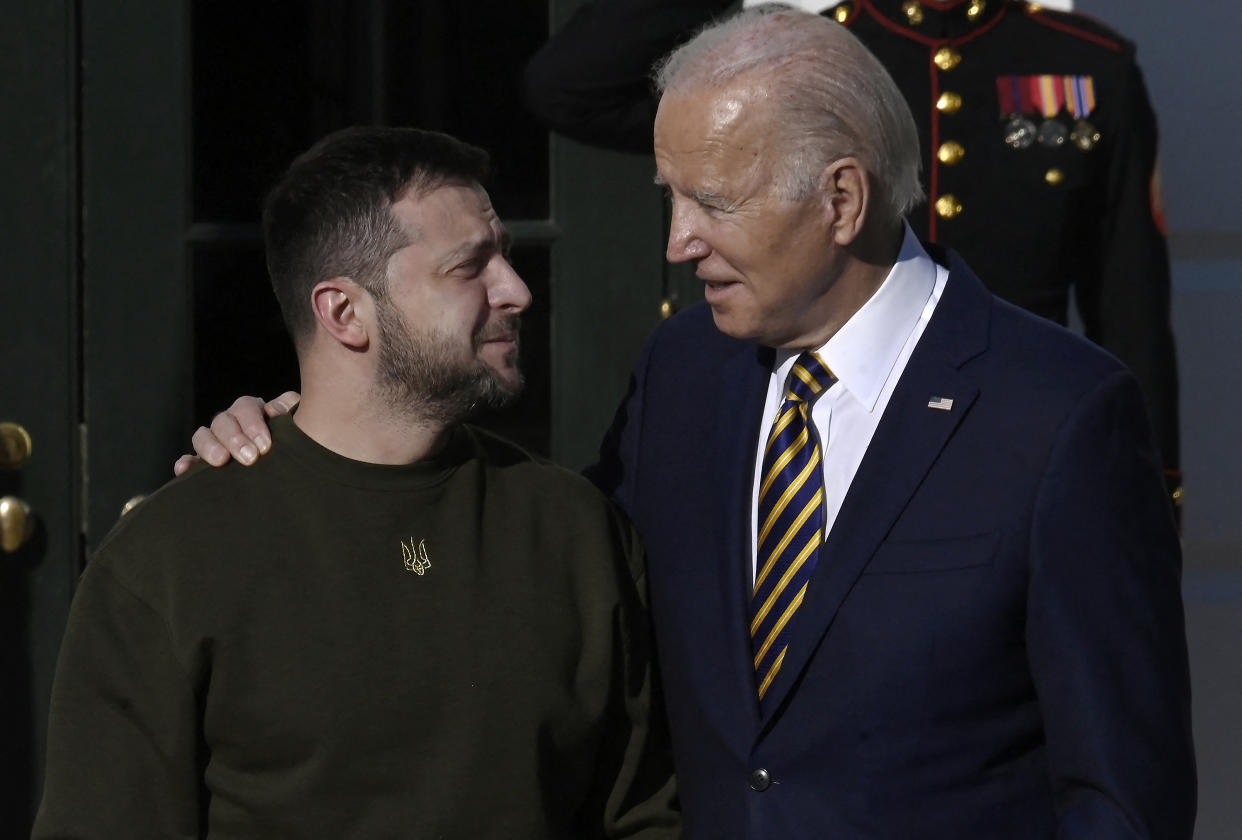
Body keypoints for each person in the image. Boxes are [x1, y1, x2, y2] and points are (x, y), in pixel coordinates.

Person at [182, 9, 1195, 838]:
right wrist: (311, 450)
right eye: (670, 199)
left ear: (841, 199)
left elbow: (1122, 799)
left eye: (712, 203)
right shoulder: (689, 368)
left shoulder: (1058, 415)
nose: (677, 243)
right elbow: (554, 570)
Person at [33, 127, 679, 839]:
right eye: (470, 267)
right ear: (344, 312)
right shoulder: (169, 562)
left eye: (509, 259)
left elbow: (642, 815)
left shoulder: (573, 530)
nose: (517, 291)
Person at [521, 0, 1184, 517]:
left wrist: (1148, 490)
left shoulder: (1086, 67)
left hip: (1013, 445)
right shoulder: (809, 65)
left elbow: (1131, 309)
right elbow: (568, 88)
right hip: (827, 427)